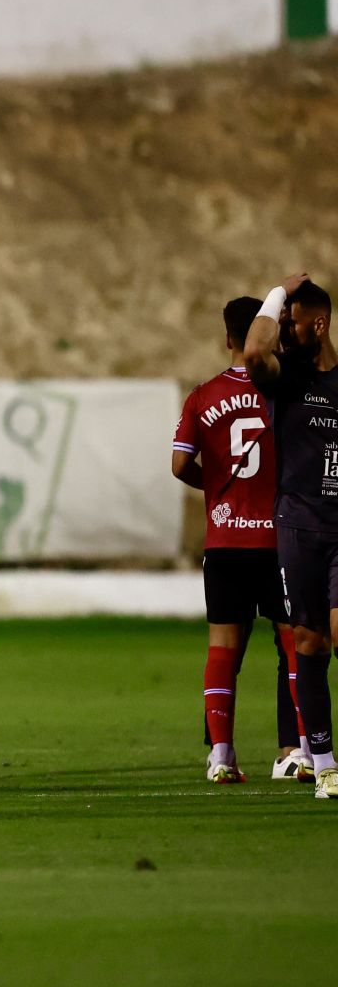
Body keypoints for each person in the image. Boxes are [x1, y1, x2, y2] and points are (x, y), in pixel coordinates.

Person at [171, 298, 308, 784]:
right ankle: (299, 751)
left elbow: (179, 465)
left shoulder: (203, 396)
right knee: (294, 642)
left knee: (223, 647)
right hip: (280, 537)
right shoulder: (288, 392)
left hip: (225, 539)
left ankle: (222, 756)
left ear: (227, 338)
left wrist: (218, 490)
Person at [243, 275, 338, 800]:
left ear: (318, 325)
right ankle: (324, 762)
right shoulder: (285, 377)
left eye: (291, 323)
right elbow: (255, 350)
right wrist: (277, 294)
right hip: (299, 528)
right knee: (309, 642)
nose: (282, 332)